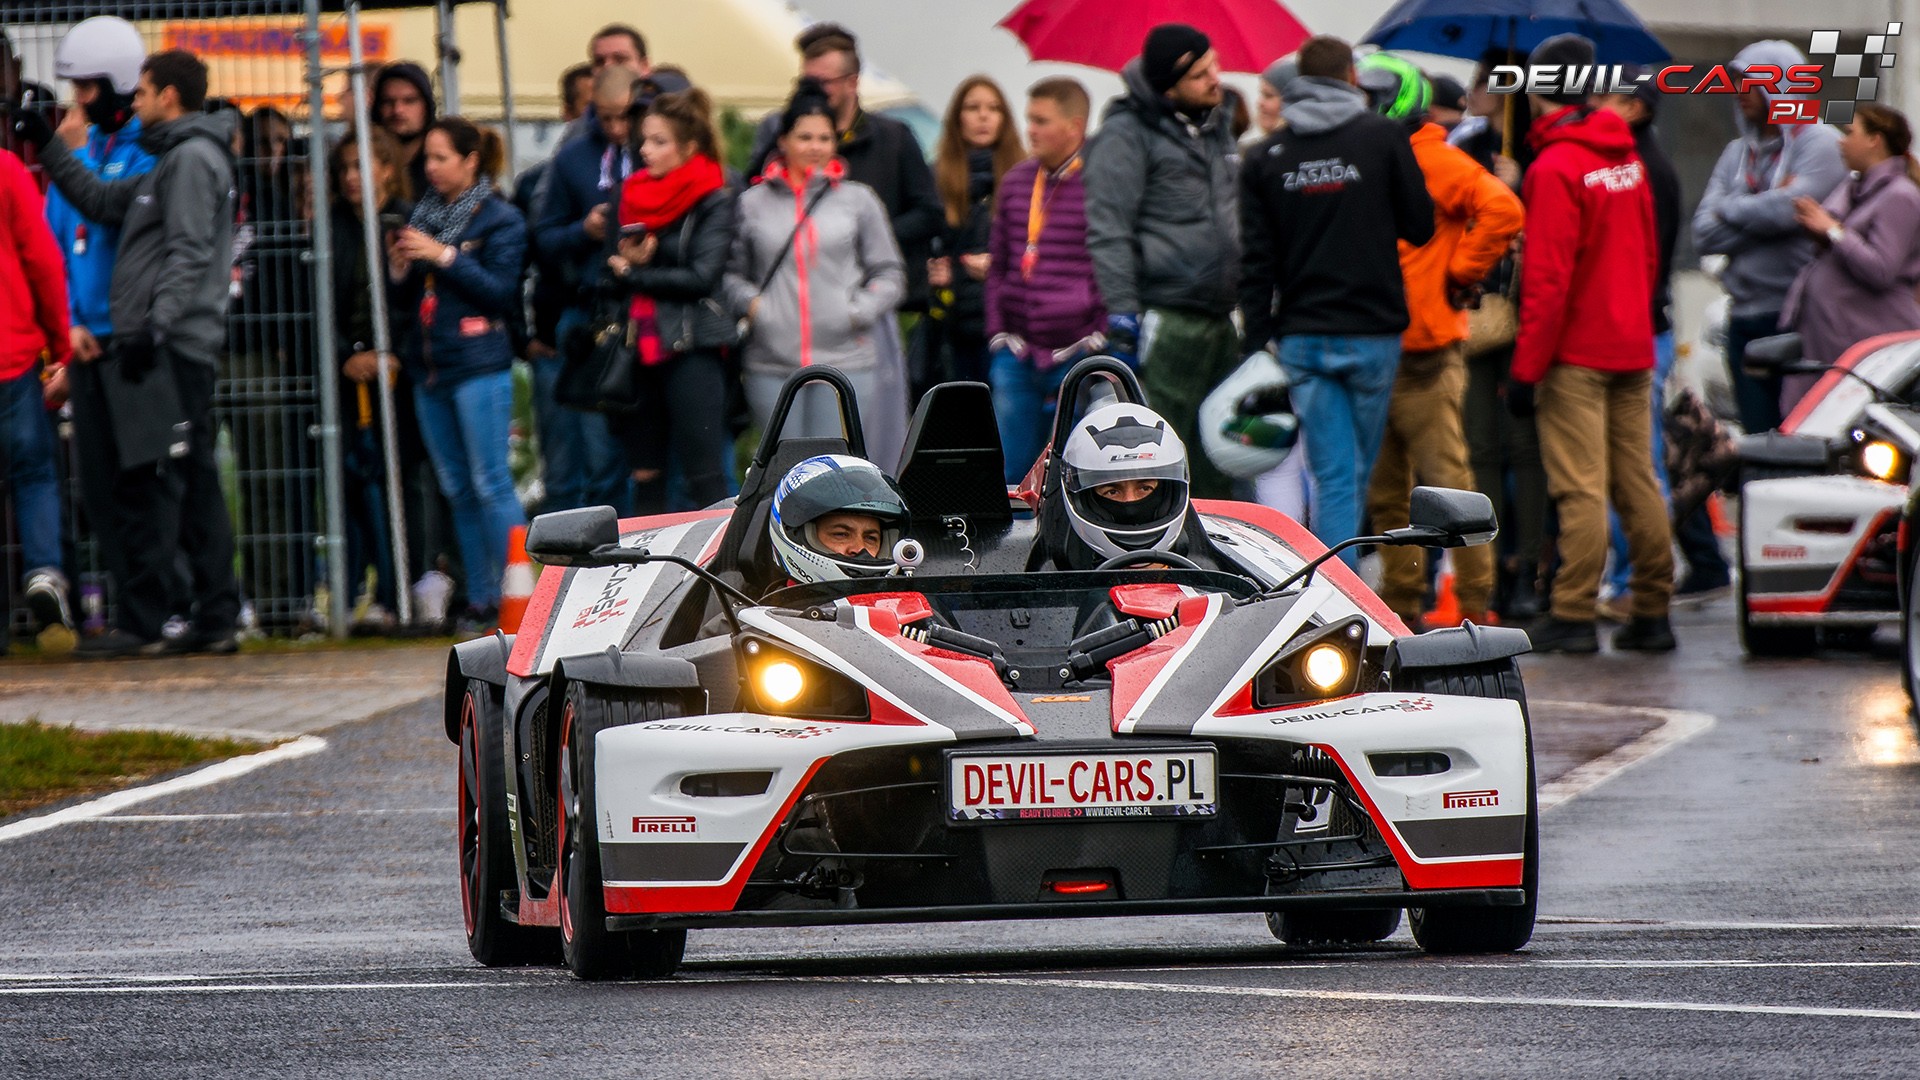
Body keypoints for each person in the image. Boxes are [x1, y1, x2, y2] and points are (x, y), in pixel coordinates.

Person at [26, 48, 241, 657]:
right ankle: (206, 618)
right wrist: (50, 145)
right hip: (162, 341)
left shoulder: (191, 159)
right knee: (177, 476)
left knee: (172, 479)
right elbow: (100, 201)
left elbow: (188, 251)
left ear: (168, 96)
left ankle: (175, 619)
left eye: (142, 92)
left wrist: (155, 328)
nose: (134, 101)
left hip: (173, 346)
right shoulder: (170, 160)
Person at [1238, 35, 1435, 567]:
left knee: (1333, 473)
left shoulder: (1266, 157)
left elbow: (1255, 263)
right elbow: (1421, 226)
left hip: (1302, 334)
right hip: (1373, 330)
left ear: (1298, 81)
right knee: (1352, 472)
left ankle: (1327, 584)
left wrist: (1255, 344)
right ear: (1352, 76)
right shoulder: (1383, 136)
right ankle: (1338, 585)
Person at [1507, 34, 1672, 655]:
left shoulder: (1554, 168)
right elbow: (1649, 254)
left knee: (1579, 488)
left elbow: (1547, 283)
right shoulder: (1626, 157)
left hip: (1576, 353)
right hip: (1632, 343)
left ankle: (1573, 612)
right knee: (1638, 482)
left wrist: (1526, 371)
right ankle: (1653, 611)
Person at [1357, 52, 1522, 627]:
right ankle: (1403, 605)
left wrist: (1459, 273)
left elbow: (1503, 209)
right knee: (1389, 494)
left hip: (1424, 354)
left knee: (1449, 487)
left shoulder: (1433, 158)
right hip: (1382, 350)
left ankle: (1475, 602)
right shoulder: (1383, 154)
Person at [1084, 23, 1242, 500]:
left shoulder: (1216, 125)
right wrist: (1123, 313)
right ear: (1169, 88)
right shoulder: (1126, 134)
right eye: (1200, 74)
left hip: (1220, 316)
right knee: (1167, 451)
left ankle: (1218, 541)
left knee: (1221, 456)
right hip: (1168, 316)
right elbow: (1109, 229)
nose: (1215, 79)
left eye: (1214, 65)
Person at [1594, 74, 1731, 614]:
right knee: (1641, 459)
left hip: (1638, 332)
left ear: (1634, 107)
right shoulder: (1638, 163)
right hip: (1644, 329)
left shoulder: (1639, 169)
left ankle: (1635, 581)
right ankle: (1652, 574)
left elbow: (1639, 262)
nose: (1594, 106)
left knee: (1638, 462)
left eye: (1605, 98)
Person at [388, 117, 527, 634]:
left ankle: (522, 595)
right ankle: (481, 598)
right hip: (432, 369)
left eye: (441, 157)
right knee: (457, 489)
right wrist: (400, 269)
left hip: (479, 365)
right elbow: (404, 299)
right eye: (427, 157)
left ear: (471, 161)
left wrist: (443, 256)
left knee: (491, 482)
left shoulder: (500, 219)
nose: (431, 167)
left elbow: (501, 292)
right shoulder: (422, 215)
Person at [41, 15, 155, 645]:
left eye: (87, 87)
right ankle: (128, 615)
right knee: (102, 490)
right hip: (85, 349)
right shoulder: (77, 168)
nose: (77, 101)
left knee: (143, 485)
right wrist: (71, 327)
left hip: (134, 345)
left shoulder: (146, 157)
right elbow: (55, 255)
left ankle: (154, 611)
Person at [725, 78, 904, 459]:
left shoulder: (859, 200)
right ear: (783, 141)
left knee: (834, 466)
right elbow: (730, 274)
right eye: (805, 137)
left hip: (846, 360)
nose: (815, 147)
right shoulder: (752, 203)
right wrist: (756, 307)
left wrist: (856, 311)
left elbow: (890, 273)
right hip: (770, 361)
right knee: (780, 467)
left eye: (825, 138)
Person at [1692, 39, 1847, 435]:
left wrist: (1731, 207)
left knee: (1799, 434)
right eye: (1737, 82)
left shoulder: (1821, 143)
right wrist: (1769, 205)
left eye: (1751, 82)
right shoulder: (1736, 153)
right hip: (1741, 317)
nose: (1739, 92)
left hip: (1796, 318)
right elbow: (1703, 232)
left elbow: (1790, 211)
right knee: (1756, 439)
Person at [746, 25, 941, 314]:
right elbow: (753, 194)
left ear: (852, 82)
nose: (814, 91)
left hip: (884, 299)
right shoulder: (778, 133)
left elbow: (929, 212)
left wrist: (870, 235)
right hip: (800, 297)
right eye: (806, 82)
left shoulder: (893, 137)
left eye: (823, 82)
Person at [605, 87, 736, 514]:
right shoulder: (630, 194)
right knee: (645, 474)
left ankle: (722, 556)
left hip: (691, 344)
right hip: (638, 344)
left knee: (704, 474)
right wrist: (624, 265)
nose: (645, 150)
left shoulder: (714, 195)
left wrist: (635, 272)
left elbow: (701, 277)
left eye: (659, 141)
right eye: (644, 139)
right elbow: (608, 269)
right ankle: (645, 557)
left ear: (688, 147)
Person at [1452, 49, 1548, 620]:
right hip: (1474, 311)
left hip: (1526, 312)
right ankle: (1486, 571)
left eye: (1486, 82)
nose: (1475, 90)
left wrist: (1521, 188)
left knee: (1526, 447)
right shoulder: (1466, 148)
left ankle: (1527, 568)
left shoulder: (1537, 151)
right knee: (1479, 447)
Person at [983, 76, 1104, 483]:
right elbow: (998, 264)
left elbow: (1115, 262)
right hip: (1017, 352)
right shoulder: (1017, 181)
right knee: (1011, 475)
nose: (1030, 130)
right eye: (1029, 119)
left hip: (1077, 351)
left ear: (1074, 126)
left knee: (1075, 472)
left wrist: (1099, 334)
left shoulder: (1101, 185)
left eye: (1041, 121)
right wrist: (998, 333)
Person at [532, 66, 637, 515]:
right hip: (592, 315)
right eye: (605, 117)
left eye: (624, 116)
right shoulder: (574, 156)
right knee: (598, 454)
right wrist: (584, 230)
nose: (615, 127)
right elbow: (543, 237)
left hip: (646, 310)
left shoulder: (658, 148)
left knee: (646, 456)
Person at [328, 130, 417, 627]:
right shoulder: (331, 227)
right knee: (350, 481)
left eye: (360, 166)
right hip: (346, 373)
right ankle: (348, 593)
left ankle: (398, 590)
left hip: (397, 374)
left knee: (396, 481)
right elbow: (320, 301)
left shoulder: (405, 220)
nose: (351, 178)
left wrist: (392, 355)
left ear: (385, 168)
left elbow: (413, 300)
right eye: (344, 168)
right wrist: (345, 356)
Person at [1781, 104, 1920, 406]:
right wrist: (1819, 228)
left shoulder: (1901, 196)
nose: (1841, 142)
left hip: (1868, 349)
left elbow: (1881, 268)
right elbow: (1838, 235)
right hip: (1830, 341)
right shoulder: (1853, 188)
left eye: (1850, 133)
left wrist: (1832, 230)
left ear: (1874, 140)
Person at [0, 146, 74, 651]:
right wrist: (61, 344)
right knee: (33, 473)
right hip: (12, 358)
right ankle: (44, 570)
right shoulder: (7, 170)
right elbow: (43, 259)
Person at [925, 75, 1022, 388]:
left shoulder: (1024, 177)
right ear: (957, 118)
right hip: (954, 324)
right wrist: (933, 270)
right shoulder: (935, 177)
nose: (983, 116)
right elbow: (924, 240)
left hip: (1010, 323)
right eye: (973, 108)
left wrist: (1000, 265)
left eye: (993, 108)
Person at [1045, 402, 1216, 573]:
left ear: (1169, 493)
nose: (1130, 503)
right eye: (1112, 492)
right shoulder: (1052, 578)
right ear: (1084, 498)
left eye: (1145, 488)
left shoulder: (1211, 574)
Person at [767, 454, 912, 586]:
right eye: (841, 534)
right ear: (796, 533)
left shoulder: (908, 604)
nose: (859, 548)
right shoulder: (766, 607)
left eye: (870, 538)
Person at [372, 61, 436, 203]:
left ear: (426, 107)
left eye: (409, 101)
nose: (397, 110)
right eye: (388, 101)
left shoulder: (443, 159)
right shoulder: (363, 158)